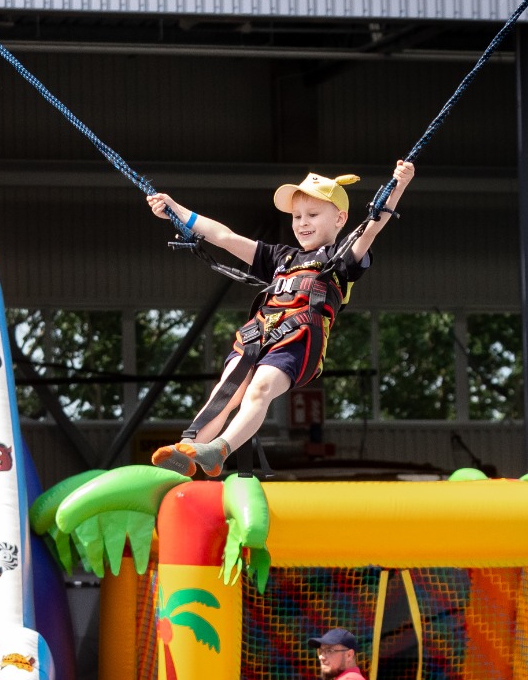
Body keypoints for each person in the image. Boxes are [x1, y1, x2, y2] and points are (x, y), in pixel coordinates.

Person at [144, 161, 414, 478]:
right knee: (228, 388)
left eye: (313, 215)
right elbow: (224, 236)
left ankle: (220, 449)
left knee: (259, 390)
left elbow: (374, 223)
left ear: (340, 218)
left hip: (299, 340)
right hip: (257, 335)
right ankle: (188, 448)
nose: (302, 223)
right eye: (297, 216)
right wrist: (174, 209)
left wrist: (398, 184)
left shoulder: (341, 259)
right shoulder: (280, 258)